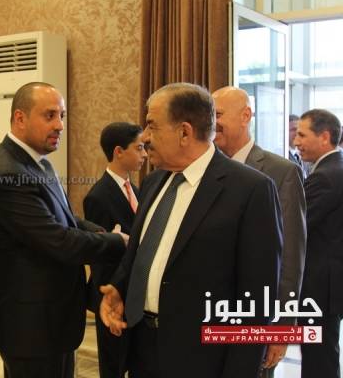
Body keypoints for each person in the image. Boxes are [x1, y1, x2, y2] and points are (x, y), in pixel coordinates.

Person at [100, 82, 282, 378]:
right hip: (141, 348)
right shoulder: (153, 183)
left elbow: (256, 299)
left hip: (203, 360)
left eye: (151, 126)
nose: (144, 137)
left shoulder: (251, 190)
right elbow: (142, 253)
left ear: (184, 132)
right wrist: (121, 288)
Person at [0, 82, 128, 378]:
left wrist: (99, 231)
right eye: (49, 115)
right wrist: (117, 242)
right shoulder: (7, 173)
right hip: (29, 326)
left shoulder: (37, 164)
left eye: (62, 115)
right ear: (20, 118)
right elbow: (59, 241)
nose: (59, 125)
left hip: (51, 319)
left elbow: (66, 219)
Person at [212, 86, 307, 377]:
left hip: (255, 316)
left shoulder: (281, 171)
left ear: (245, 116)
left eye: (218, 115)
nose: (213, 123)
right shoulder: (204, 169)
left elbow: (290, 254)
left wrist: (282, 326)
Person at [83, 122, 146, 378]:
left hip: (136, 293)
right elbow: (99, 256)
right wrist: (112, 294)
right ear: (119, 151)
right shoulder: (98, 196)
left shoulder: (139, 191)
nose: (144, 154)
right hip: (112, 292)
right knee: (114, 365)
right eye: (138, 148)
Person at [293, 109, 343, 378]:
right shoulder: (336, 167)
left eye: (302, 135)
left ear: (324, 137)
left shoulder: (325, 176)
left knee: (318, 358)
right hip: (329, 283)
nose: (296, 142)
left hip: (319, 286)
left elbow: (297, 225)